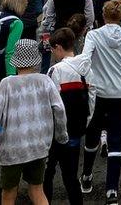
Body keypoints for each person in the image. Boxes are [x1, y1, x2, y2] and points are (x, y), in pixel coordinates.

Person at [0, 39, 68, 205]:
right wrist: (61, 135)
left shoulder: (7, 84)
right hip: (39, 145)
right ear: (36, 60)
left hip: (12, 150)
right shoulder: (45, 81)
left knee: (8, 193)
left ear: (15, 61)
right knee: (37, 190)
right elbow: (60, 110)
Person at [79, 0, 121, 204]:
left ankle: (86, 176)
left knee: (92, 137)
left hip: (98, 94)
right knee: (116, 140)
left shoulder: (93, 35)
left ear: (103, 16)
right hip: (120, 93)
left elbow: (86, 59)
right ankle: (112, 189)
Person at [44, 27, 92, 205]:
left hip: (56, 131)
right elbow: (92, 98)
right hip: (77, 129)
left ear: (58, 47)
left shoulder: (55, 71)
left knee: (47, 174)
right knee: (71, 176)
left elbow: (51, 104)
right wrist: (86, 122)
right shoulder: (85, 68)